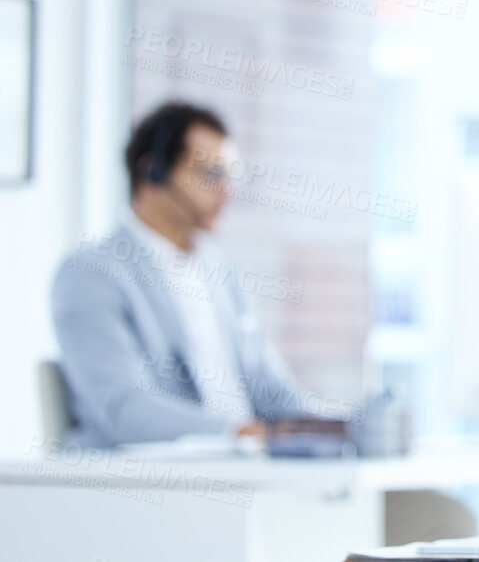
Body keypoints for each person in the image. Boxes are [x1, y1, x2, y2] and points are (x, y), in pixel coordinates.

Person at [51, 101, 316, 447]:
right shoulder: (91, 274)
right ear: (153, 172)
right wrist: (237, 433)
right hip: (157, 482)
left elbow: (271, 387)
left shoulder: (220, 272)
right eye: (211, 175)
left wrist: (333, 426)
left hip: (246, 471)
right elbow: (124, 410)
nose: (227, 192)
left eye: (229, 176)